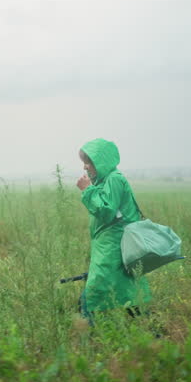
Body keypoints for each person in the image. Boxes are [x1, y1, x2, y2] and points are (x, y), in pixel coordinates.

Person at [76, 138, 150, 322]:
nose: (85, 167)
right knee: (127, 290)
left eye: (88, 162)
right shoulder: (105, 181)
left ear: (101, 161)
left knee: (94, 289)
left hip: (115, 246)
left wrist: (87, 191)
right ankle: (150, 329)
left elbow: (106, 211)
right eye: (84, 162)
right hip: (109, 245)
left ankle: (86, 335)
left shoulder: (114, 180)